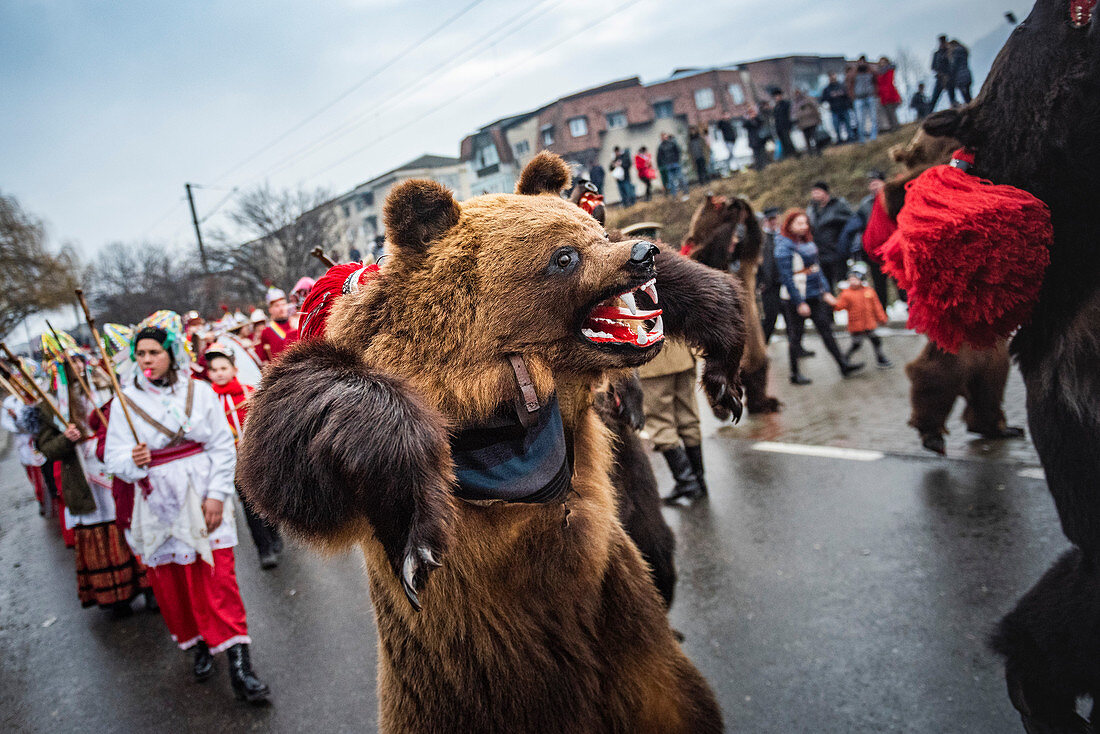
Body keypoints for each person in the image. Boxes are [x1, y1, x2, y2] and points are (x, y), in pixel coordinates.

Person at [104, 311, 270, 703]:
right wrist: (133, 460)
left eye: (153, 352)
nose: (146, 360)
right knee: (174, 583)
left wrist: (216, 496)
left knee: (219, 580)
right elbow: (113, 458)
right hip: (158, 504)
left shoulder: (200, 392)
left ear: (171, 353)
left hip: (203, 496)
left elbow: (220, 446)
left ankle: (240, 666)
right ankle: (198, 646)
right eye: (140, 353)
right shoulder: (123, 403)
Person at [34, 355, 151, 617]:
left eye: (77, 361)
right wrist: (66, 439)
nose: (74, 368)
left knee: (132, 523)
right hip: (83, 478)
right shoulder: (50, 404)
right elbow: (46, 449)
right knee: (99, 533)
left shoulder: (106, 387)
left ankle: (149, 587)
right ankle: (114, 597)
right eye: (67, 365)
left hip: (115, 470)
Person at [204, 344, 283, 570]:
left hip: (258, 460)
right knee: (249, 506)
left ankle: (274, 533)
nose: (219, 373)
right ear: (209, 373)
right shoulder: (208, 401)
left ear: (233, 369)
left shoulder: (249, 393)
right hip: (233, 464)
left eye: (223, 368)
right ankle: (264, 548)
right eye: (214, 369)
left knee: (268, 499)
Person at [776, 209, 864, 384]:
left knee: (826, 330)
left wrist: (825, 292)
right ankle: (794, 373)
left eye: (805, 223)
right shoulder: (784, 246)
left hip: (814, 294)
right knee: (795, 336)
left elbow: (817, 269)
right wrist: (799, 302)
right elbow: (786, 278)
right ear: (790, 225)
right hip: (796, 297)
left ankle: (842, 364)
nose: (803, 227)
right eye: (799, 223)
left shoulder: (806, 241)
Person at [636, 340, 707, 505]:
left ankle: (688, 483)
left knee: (660, 423)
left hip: (652, 358)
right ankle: (699, 480)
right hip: (682, 351)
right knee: (688, 418)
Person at [839, 170, 895, 310]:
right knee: (878, 281)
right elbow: (856, 224)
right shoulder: (865, 204)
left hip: (893, 246)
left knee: (898, 277)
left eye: (877, 183)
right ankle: (882, 308)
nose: (874, 186)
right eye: (871, 184)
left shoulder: (892, 199)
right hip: (874, 250)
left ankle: (906, 304)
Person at [833, 264, 893, 368]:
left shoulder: (869, 292)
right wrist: (832, 302)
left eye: (855, 279)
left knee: (876, 341)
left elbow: (877, 307)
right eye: (850, 279)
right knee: (856, 344)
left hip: (869, 324)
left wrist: (882, 318)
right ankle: (845, 358)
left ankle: (881, 358)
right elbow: (839, 306)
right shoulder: (846, 294)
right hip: (856, 326)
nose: (853, 281)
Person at [2, 387, 49, 515]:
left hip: (39, 439)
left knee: (45, 471)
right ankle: (41, 499)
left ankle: (49, 497)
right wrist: (15, 419)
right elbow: (6, 423)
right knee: (33, 474)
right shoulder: (8, 403)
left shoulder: (29, 394)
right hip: (24, 445)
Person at [807, 181, 855, 288]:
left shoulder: (838, 205)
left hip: (837, 252)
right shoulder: (812, 209)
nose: (814, 195)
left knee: (843, 284)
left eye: (817, 192)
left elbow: (852, 222)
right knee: (826, 286)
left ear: (825, 192)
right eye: (813, 192)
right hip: (820, 254)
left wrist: (845, 243)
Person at [759, 206, 786, 344]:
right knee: (771, 317)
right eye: (770, 219)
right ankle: (763, 345)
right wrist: (761, 282)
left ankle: (797, 348)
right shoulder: (761, 238)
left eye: (774, 218)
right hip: (769, 284)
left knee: (790, 317)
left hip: (783, 281)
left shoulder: (782, 235)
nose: (773, 222)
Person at [257, 287, 298, 364]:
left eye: (283, 304)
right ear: (270, 309)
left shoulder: (295, 324)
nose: (281, 308)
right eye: (277, 306)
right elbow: (264, 360)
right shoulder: (266, 331)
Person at [821, 71, 855, 143]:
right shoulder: (827, 89)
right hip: (834, 110)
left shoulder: (842, 86)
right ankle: (839, 140)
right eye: (831, 76)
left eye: (833, 76)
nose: (833, 78)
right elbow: (823, 99)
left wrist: (841, 94)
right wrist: (831, 96)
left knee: (848, 125)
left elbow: (848, 95)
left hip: (844, 108)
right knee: (836, 127)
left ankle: (850, 138)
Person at [850, 57, 878, 142]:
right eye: (860, 62)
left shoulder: (870, 71)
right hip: (859, 99)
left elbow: (876, 82)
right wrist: (852, 96)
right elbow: (849, 84)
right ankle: (862, 138)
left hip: (870, 97)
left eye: (863, 62)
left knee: (873, 117)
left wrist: (875, 93)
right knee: (860, 119)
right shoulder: (854, 73)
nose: (862, 63)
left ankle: (873, 136)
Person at [656, 132, 688, 198]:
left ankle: (685, 191)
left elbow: (678, 151)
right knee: (671, 181)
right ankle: (674, 195)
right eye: (662, 137)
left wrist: (677, 160)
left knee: (680, 178)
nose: (664, 138)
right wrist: (664, 163)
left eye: (665, 136)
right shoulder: (660, 147)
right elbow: (660, 157)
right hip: (668, 166)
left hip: (675, 164)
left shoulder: (672, 143)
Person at [770, 88, 798, 160]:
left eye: (777, 96)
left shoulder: (786, 104)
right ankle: (787, 156)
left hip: (786, 126)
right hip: (779, 128)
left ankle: (793, 155)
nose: (776, 98)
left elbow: (790, 115)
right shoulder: (776, 107)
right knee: (783, 142)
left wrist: (790, 124)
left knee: (788, 141)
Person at [741, 105, 772, 170]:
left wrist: (755, 117)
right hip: (753, 141)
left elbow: (761, 122)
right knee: (756, 155)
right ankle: (759, 167)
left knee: (763, 153)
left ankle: (764, 166)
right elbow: (744, 126)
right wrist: (749, 119)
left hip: (761, 139)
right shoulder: (746, 120)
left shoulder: (758, 117)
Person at [930, 35, 956, 110]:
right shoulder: (937, 54)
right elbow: (933, 67)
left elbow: (953, 65)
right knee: (934, 99)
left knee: (952, 98)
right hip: (940, 78)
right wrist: (940, 74)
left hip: (949, 78)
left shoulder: (950, 53)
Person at [793, 89, 823, 156]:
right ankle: (811, 153)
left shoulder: (807, 100)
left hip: (812, 122)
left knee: (815, 138)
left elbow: (815, 109)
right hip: (804, 124)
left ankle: (817, 152)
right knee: (808, 140)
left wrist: (818, 118)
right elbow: (794, 115)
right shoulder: (795, 104)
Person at [876, 56, 902, 132]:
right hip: (883, 95)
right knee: (888, 113)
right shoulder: (879, 73)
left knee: (891, 112)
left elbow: (888, 83)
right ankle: (893, 126)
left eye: (884, 62)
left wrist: (887, 95)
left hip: (889, 94)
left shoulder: (889, 71)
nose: (882, 64)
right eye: (881, 62)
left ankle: (895, 126)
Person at [950, 40, 973, 104]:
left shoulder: (956, 52)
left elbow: (954, 65)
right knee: (968, 95)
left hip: (961, 78)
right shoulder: (964, 51)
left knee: (966, 97)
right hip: (967, 75)